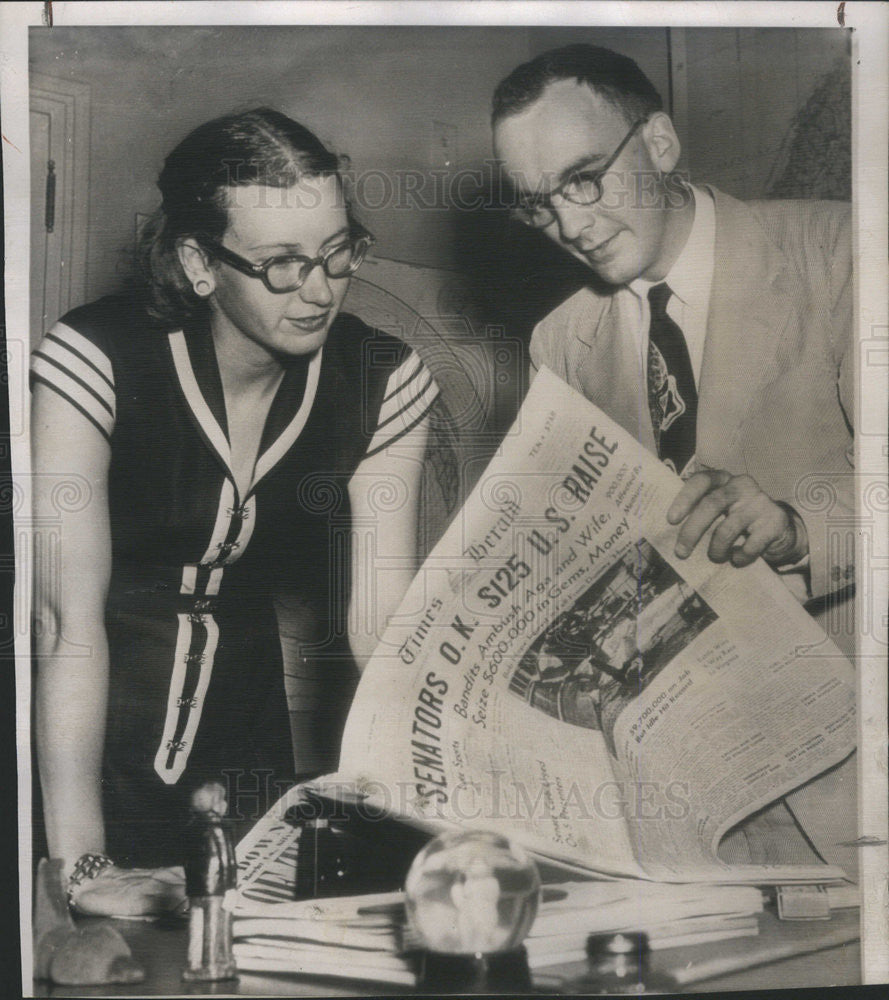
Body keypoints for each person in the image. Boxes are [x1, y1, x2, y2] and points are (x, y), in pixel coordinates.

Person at [31, 108, 439, 915]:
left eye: (337, 251)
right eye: (283, 265)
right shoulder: (93, 359)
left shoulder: (384, 380)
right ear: (198, 263)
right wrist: (76, 867)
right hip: (83, 722)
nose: (320, 290)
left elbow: (382, 626)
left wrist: (440, 809)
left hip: (241, 729)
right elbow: (60, 622)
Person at [490, 44, 857, 874]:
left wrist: (796, 524)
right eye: (538, 205)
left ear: (658, 143)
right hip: (678, 811)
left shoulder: (840, 252)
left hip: (853, 782)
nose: (571, 225)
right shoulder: (559, 343)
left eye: (583, 177)